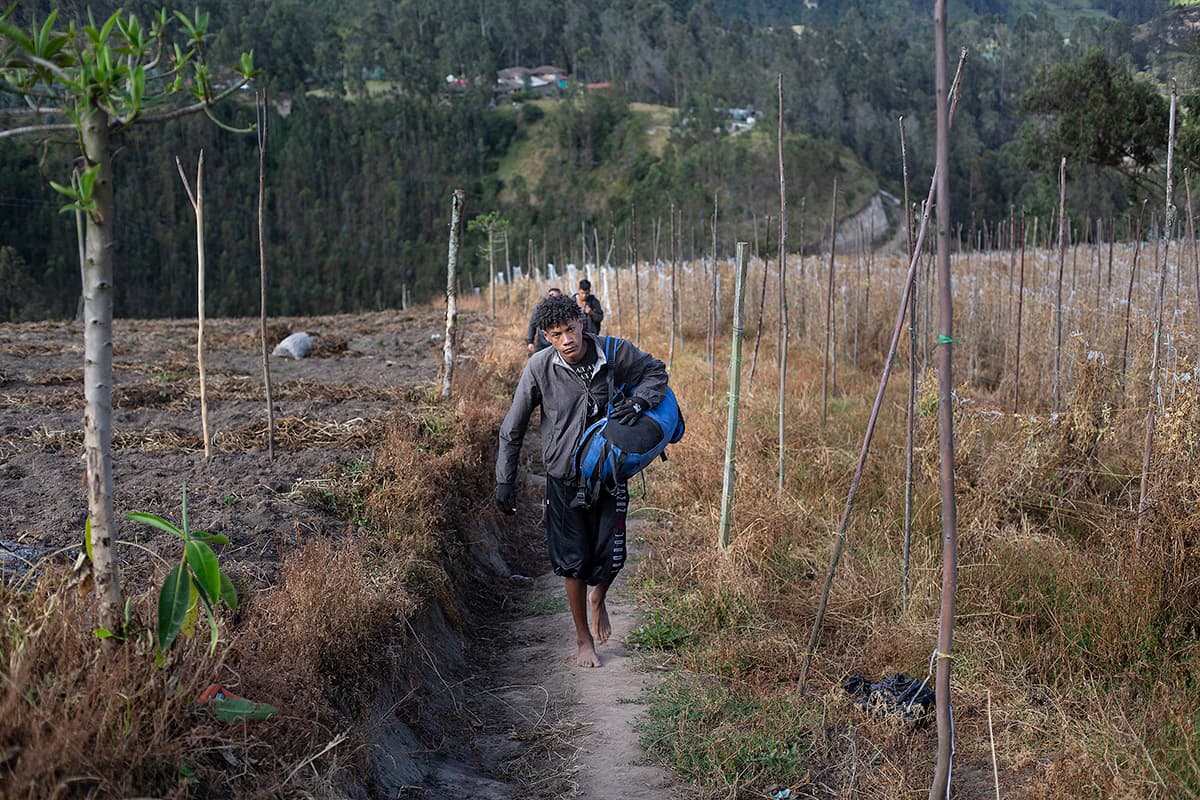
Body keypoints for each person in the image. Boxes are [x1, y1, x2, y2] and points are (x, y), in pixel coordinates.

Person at [496, 293, 668, 667]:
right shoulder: (539, 368)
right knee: (573, 560)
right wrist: (504, 481)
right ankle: (582, 639)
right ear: (545, 335)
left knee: (613, 554)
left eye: (571, 329)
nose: (567, 340)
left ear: (582, 322)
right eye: (556, 334)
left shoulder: (614, 352)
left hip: (608, 473)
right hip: (564, 477)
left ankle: (599, 596)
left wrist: (639, 402)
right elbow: (513, 427)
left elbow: (656, 372)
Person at [525, 287, 562, 354]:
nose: (552, 298)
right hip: (542, 345)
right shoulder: (539, 308)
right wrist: (530, 342)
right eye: (551, 295)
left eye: (555, 297)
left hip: (559, 345)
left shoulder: (563, 310)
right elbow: (532, 325)